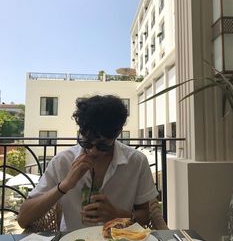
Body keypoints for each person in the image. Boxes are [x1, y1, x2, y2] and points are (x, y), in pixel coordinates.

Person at [18, 95, 158, 231]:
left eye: (103, 146)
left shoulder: (136, 162)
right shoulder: (62, 161)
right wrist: (64, 186)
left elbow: (145, 216)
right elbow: (23, 219)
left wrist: (117, 215)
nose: (93, 151)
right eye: (86, 142)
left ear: (118, 133)